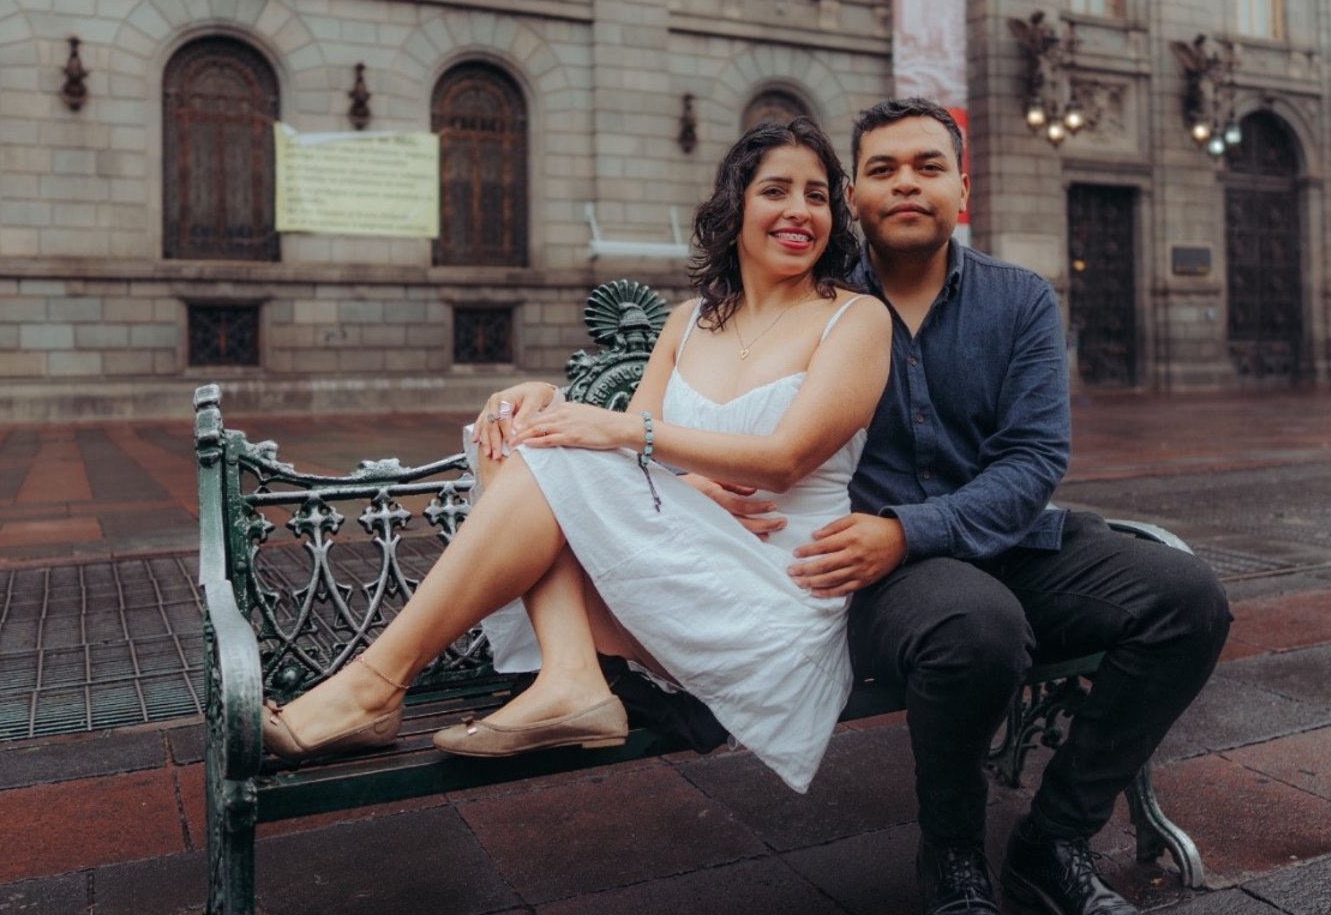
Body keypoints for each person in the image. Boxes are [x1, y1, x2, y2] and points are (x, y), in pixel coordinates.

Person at [715, 97, 1232, 915]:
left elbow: (1034, 459)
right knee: (976, 626)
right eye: (882, 170)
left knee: (1188, 599)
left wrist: (914, 528)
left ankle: (1052, 841)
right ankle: (953, 857)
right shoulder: (816, 307)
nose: (905, 185)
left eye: (927, 167)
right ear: (853, 195)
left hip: (1002, 541)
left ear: (963, 188)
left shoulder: (1019, 300)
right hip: (882, 576)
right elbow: (712, 389)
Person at [261, 117, 891, 794]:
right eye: (776, 190)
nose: (799, 211)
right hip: (689, 564)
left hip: (777, 596)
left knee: (557, 452)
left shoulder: (854, 318)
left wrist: (630, 436)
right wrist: (544, 397)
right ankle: (568, 676)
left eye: (817, 196)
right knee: (516, 427)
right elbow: (632, 460)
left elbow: (784, 459)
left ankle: (377, 685)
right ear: (734, 206)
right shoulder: (688, 321)